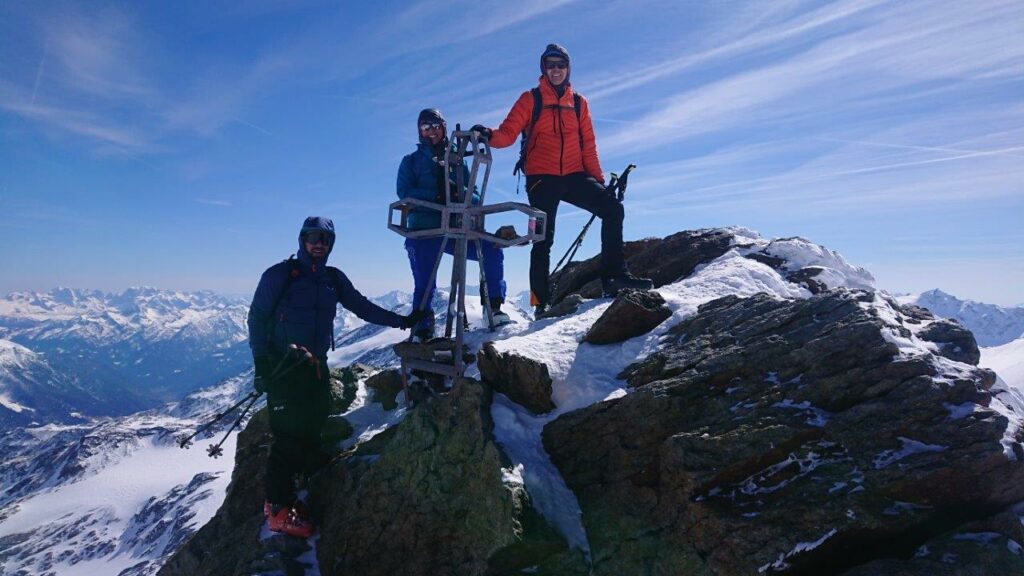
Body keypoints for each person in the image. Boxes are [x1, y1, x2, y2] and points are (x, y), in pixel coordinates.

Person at [248, 216, 424, 538]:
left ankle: (307, 473)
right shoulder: (280, 275)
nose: (319, 243)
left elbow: (362, 307)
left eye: (325, 239)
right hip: (282, 368)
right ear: (301, 239)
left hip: (315, 366)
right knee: (287, 437)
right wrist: (261, 365)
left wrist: (403, 321)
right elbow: (257, 319)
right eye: (312, 237)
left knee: (314, 422)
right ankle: (276, 509)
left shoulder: (332, 279)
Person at [472, 43, 651, 316]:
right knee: (543, 238)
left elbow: (588, 145)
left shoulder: (579, 103)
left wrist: (599, 183)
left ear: (568, 68)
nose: (556, 70)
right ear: (543, 68)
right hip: (540, 178)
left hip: (574, 174)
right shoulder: (530, 99)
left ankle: (614, 277)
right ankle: (538, 303)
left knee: (612, 209)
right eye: (550, 65)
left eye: (561, 65)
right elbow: (507, 134)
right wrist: (487, 134)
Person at [398, 108, 510, 340]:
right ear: (419, 131)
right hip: (424, 229)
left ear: (443, 127)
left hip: (456, 227)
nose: (431, 132)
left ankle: (493, 308)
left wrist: (468, 199)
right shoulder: (411, 161)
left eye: (435, 126)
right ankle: (422, 327)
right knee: (425, 281)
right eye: (425, 128)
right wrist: (438, 196)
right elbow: (404, 192)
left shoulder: (456, 161)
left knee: (490, 250)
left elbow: (473, 190)